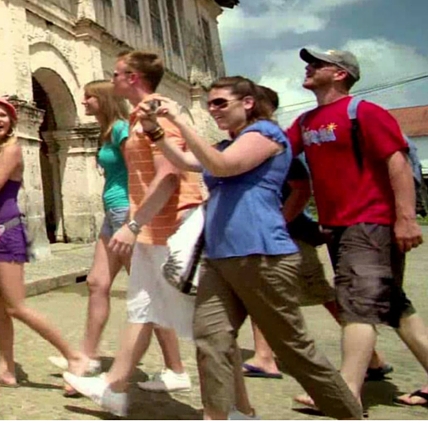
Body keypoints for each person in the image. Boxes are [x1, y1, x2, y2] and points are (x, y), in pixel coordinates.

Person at [145, 77, 363, 420]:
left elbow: (223, 167)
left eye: (220, 103)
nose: (213, 109)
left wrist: (182, 121)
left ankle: (348, 413)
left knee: (293, 350)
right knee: (211, 343)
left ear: (247, 102)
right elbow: (188, 162)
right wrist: (155, 131)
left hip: (261, 255)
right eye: (210, 103)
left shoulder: (265, 134)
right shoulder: (227, 143)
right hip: (219, 257)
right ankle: (216, 416)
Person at [284, 48, 428, 412]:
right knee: (393, 306)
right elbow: (272, 150)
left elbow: (396, 163)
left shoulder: (363, 113)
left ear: (340, 74)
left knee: (357, 306)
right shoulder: (305, 121)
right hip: (338, 227)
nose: (308, 67)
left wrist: (406, 217)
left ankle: (344, 392)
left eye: (317, 63)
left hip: (369, 222)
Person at [63, 50, 200, 417]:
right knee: (132, 299)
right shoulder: (137, 118)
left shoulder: (149, 116)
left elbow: (166, 172)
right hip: (134, 219)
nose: (112, 79)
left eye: (117, 73)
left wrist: (133, 222)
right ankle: (108, 381)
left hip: (150, 220)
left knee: (192, 314)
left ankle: (222, 398)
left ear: (133, 78)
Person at [241, 85, 391, 382]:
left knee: (297, 293)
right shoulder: (262, 141)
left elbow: (300, 189)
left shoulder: (270, 144)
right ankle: (371, 358)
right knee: (284, 293)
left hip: (290, 234)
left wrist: (279, 223)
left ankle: (267, 357)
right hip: (285, 232)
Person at [51, 81, 177, 378]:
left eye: (89, 98)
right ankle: (87, 357)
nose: (83, 103)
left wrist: (136, 218)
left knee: (148, 291)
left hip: (125, 212)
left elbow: (138, 169)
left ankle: (174, 366)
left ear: (104, 100)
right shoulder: (108, 132)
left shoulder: (121, 129)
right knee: (96, 283)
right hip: (113, 213)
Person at [0, 97, 90, 388]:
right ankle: (6, 367)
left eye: (3, 115)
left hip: (8, 231)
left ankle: (74, 356)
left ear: (11, 122)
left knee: (16, 306)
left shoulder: (12, 150)